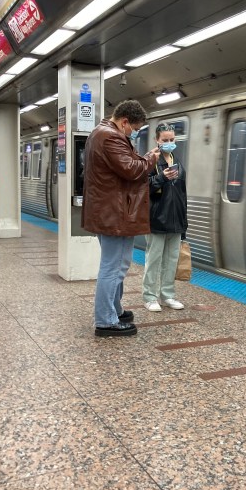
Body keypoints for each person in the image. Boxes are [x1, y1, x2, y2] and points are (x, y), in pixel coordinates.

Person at [81, 100, 160, 337]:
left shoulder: (104, 133)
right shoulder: (110, 136)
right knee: (112, 267)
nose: (134, 133)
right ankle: (105, 320)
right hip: (113, 213)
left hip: (114, 211)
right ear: (124, 121)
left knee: (120, 264)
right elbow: (131, 169)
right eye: (134, 128)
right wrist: (149, 159)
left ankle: (114, 309)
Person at [142, 123, 188, 312]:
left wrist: (184, 223)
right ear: (157, 141)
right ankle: (150, 296)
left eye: (171, 140)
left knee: (171, 260)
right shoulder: (151, 161)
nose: (169, 143)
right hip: (156, 219)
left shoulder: (177, 161)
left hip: (176, 220)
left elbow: (182, 193)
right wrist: (162, 177)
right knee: (154, 259)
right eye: (165, 140)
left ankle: (168, 295)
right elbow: (142, 188)